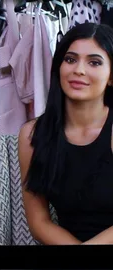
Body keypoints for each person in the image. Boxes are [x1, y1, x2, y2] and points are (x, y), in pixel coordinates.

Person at [19, 22, 113, 245]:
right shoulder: (32, 135)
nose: (78, 70)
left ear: (111, 77)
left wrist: (84, 260)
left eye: (94, 62)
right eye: (70, 59)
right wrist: (78, 265)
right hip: (69, 258)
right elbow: (39, 222)